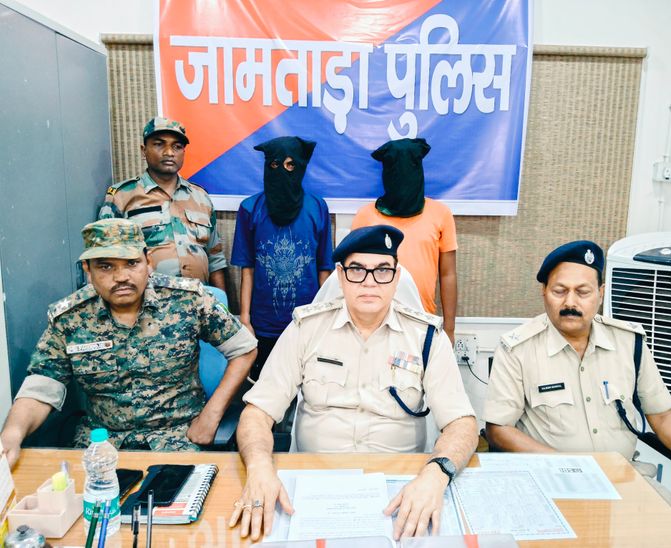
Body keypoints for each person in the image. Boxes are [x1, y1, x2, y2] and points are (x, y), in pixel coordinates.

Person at [228, 225, 477, 542]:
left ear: (397, 277)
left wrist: (436, 473)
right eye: (357, 270)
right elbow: (257, 413)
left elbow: (462, 424)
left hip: (401, 485)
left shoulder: (426, 337)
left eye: (382, 270)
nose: (370, 282)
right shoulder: (306, 329)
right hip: (314, 484)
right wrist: (260, 467)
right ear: (340, 276)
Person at [482, 240, 671, 537]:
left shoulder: (628, 343)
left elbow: (663, 417)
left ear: (601, 293)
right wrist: (570, 467)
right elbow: (498, 430)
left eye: (583, 292)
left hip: (625, 480)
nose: (570, 303)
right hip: (549, 483)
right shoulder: (518, 349)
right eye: (559, 291)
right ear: (544, 292)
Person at [0, 219, 257, 468]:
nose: (121, 277)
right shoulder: (70, 318)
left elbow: (244, 349)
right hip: (101, 446)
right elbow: (42, 386)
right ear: (88, 270)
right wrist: (12, 434)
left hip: (178, 438)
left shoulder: (187, 300)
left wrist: (211, 415)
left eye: (132, 263)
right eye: (106, 267)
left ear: (148, 262)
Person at [231, 136, 333, 382]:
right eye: (275, 165)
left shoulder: (317, 207)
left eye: (290, 165)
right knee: (264, 387)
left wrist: (327, 316)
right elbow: (247, 269)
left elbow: (324, 269)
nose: (282, 171)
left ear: (300, 167)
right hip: (264, 323)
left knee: (307, 386)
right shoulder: (250, 208)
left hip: (307, 321)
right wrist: (245, 318)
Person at [98, 117, 227, 291]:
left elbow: (215, 259)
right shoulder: (121, 197)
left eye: (177, 146)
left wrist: (221, 302)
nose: (169, 152)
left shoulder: (201, 197)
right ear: (144, 150)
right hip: (148, 302)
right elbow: (105, 258)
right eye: (159, 144)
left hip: (199, 300)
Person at [351, 138, 458, 342]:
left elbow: (448, 274)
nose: (402, 177)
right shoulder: (366, 216)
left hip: (422, 318)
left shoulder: (440, 214)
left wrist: (450, 329)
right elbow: (353, 272)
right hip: (375, 320)